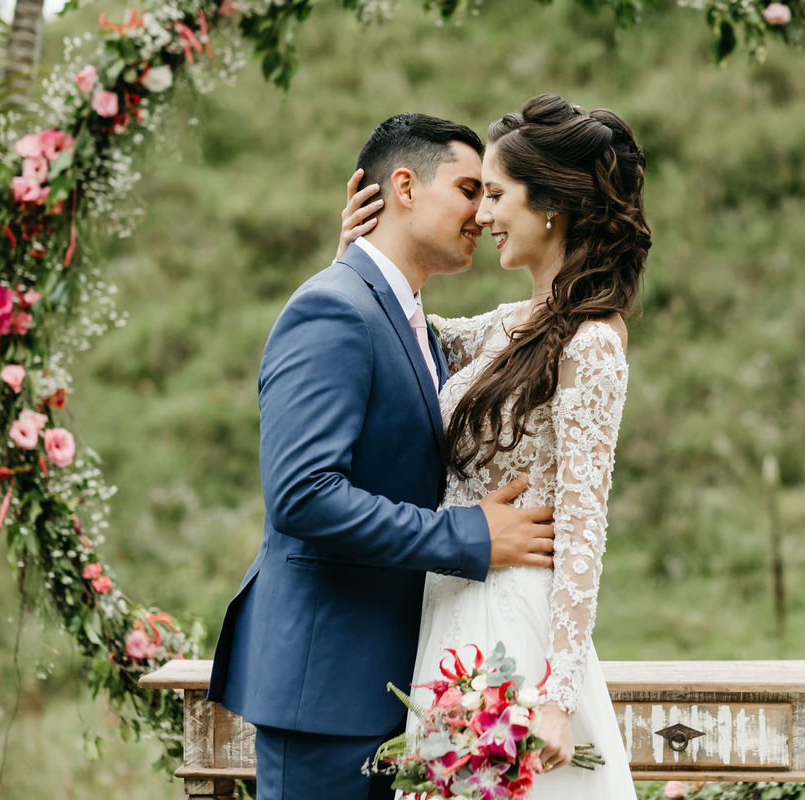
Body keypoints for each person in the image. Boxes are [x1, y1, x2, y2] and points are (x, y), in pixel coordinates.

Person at [207, 113, 558, 800]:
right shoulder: (333, 311)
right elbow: (304, 495)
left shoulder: (407, 319)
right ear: (403, 185)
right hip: (327, 688)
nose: (482, 212)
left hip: (398, 679)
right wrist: (471, 534)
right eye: (467, 188)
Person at [338, 93, 649, 797]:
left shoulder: (592, 344)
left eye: (498, 194)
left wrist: (557, 698)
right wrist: (356, 257)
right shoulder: (510, 324)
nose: (481, 214)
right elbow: (402, 330)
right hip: (449, 609)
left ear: (553, 205)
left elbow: (583, 528)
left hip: (518, 625)